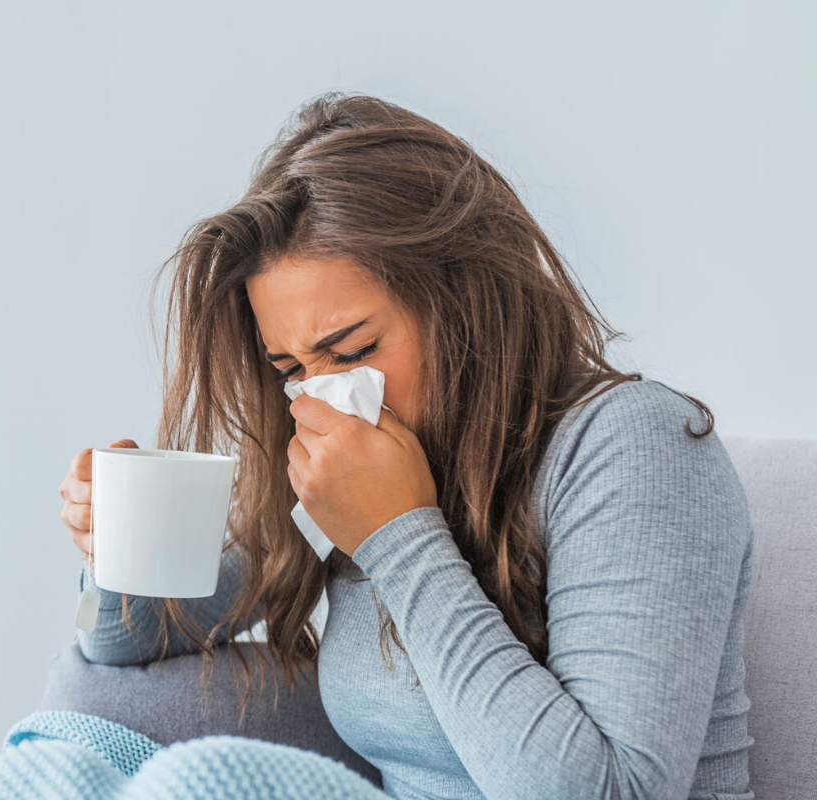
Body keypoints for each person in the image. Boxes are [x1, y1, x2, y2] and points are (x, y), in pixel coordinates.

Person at [56, 91, 755, 800]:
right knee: (60, 765)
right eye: (291, 372)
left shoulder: (633, 445)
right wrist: (110, 549)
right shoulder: (341, 484)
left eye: (353, 350)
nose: (323, 398)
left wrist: (398, 537)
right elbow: (121, 644)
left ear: (465, 304)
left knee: (191, 784)